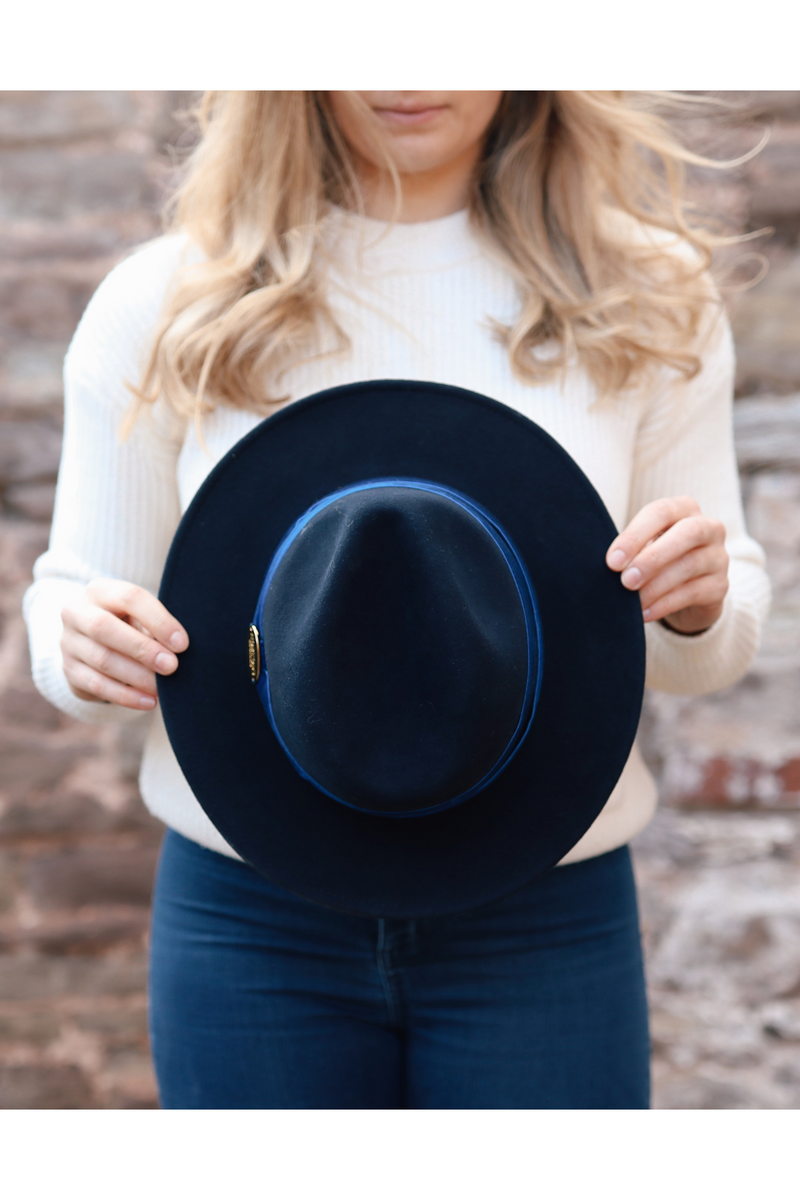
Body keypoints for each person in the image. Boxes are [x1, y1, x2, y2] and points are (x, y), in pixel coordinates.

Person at [23, 91, 770, 1109]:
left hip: (543, 919)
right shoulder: (169, 299)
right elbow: (76, 595)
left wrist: (694, 597)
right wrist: (78, 642)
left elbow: (695, 648)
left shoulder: (640, 293)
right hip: (250, 920)